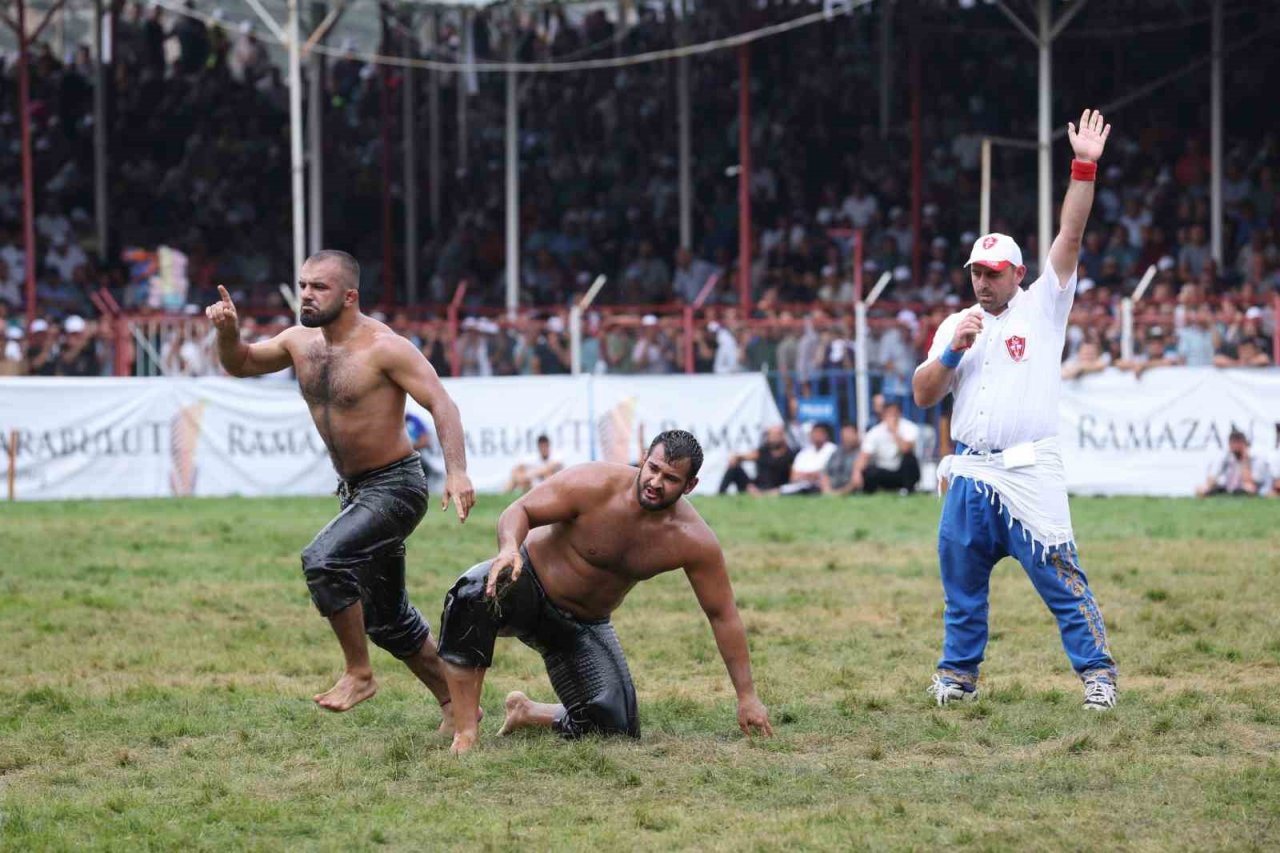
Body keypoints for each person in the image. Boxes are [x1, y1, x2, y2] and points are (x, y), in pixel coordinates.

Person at [205, 250, 477, 729]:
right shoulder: (298, 342)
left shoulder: (385, 348)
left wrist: (456, 471)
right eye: (303, 285)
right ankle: (457, 705)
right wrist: (227, 333)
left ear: (350, 296)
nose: (306, 295)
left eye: (319, 287)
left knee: (323, 560)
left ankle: (359, 673)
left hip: (396, 485)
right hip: (354, 490)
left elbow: (441, 402)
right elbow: (242, 363)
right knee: (387, 619)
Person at [912, 109, 1118, 711]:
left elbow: (1070, 237)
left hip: (1030, 470)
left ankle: (1098, 675)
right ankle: (958, 676)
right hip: (970, 470)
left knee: (1062, 579)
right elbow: (923, 394)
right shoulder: (957, 324)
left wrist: (1083, 167)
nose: (982, 282)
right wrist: (952, 350)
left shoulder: (1044, 306)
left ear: (1018, 274)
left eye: (993, 273)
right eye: (976, 272)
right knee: (961, 585)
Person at [435, 430, 772, 755]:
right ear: (643, 459)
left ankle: (528, 712)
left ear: (690, 486)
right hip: (528, 585)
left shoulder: (692, 539)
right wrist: (509, 547)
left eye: (670, 478)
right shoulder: (594, 483)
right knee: (472, 593)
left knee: (616, 728)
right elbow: (520, 510)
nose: (656, 482)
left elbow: (722, 614)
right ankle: (465, 728)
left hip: (581, 624)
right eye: (653, 469)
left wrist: (747, 697)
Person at [852, 401, 921, 494]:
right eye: (889, 414)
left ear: (900, 414)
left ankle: (908, 490)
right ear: (883, 416)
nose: (892, 417)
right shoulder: (875, 432)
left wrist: (894, 431)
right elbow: (864, 455)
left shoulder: (910, 428)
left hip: (903, 471)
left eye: (894, 414)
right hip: (884, 470)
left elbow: (906, 449)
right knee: (869, 472)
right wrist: (857, 472)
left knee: (909, 459)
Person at [718, 424, 795, 495]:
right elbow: (744, 457)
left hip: (775, 489)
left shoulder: (790, 456)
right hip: (756, 487)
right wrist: (735, 458)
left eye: (776, 435)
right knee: (734, 468)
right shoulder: (763, 451)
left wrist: (776, 491)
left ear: (783, 436)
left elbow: (792, 479)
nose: (773, 438)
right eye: (771, 435)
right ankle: (720, 495)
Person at [1196, 429, 1261, 497]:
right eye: (1233, 443)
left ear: (1245, 444)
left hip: (1242, 488)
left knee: (1249, 488)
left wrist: (1245, 459)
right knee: (1202, 488)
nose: (1235, 446)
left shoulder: (1255, 460)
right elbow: (1212, 477)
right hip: (1224, 488)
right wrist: (1208, 486)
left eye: (1238, 443)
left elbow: (1249, 483)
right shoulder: (1224, 457)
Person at [780, 423, 837, 495]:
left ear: (826, 435)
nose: (816, 436)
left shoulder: (833, 450)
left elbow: (826, 474)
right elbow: (793, 476)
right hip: (801, 485)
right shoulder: (804, 452)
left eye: (819, 433)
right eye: (814, 433)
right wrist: (810, 475)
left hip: (822, 485)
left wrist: (808, 475)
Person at [821, 424, 862, 495]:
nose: (846, 438)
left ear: (857, 435)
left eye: (849, 435)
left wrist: (839, 493)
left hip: (851, 491)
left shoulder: (863, 453)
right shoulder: (836, 452)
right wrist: (827, 490)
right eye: (843, 435)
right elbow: (825, 473)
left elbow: (857, 481)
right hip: (832, 489)